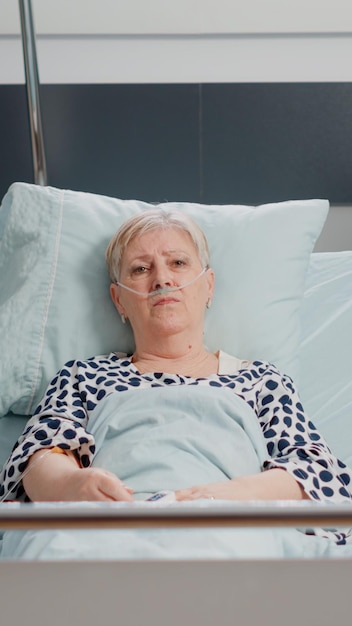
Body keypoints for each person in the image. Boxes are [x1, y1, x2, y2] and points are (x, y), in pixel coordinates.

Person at [1, 209, 351, 543]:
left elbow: (315, 474)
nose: (162, 279)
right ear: (118, 299)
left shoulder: (261, 381)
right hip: (107, 532)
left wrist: (224, 499)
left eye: (179, 263)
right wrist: (71, 488)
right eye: (140, 269)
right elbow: (38, 457)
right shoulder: (84, 376)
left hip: (235, 531)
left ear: (209, 285)